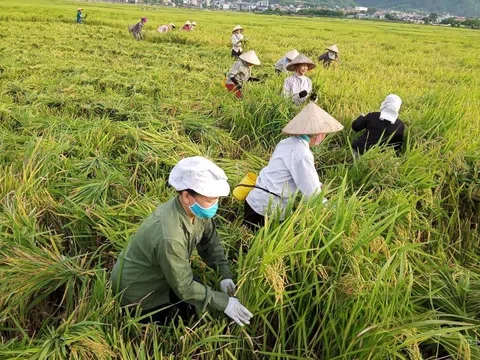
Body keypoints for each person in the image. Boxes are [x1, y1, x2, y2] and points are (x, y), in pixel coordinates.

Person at [111, 157, 253, 327]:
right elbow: (184, 287)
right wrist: (225, 303)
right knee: (181, 323)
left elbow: (210, 242)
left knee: (196, 301)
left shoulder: (198, 211)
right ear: (187, 196)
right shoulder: (170, 236)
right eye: (210, 200)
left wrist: (224, 274)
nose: (215, 206)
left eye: (217, 200)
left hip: (164, 275)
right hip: (140, 292)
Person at [243, 103, 344, 232]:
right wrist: (333, 210)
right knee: (262, 247)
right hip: (268, 210)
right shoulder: (302, 153)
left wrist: (318, 183)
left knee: (245, 243)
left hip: (254, 200)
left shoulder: (286, 142)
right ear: (318, 134)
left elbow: (291, 172)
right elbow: (311, 194)